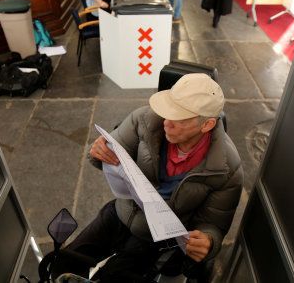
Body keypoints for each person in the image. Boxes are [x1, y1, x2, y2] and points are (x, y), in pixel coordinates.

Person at [64, 74, 243, 281]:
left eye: (179, 118)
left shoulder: (226, 168)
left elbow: (213, 224)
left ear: (207, 125)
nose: (167, 122)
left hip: (161, 239)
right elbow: (105, 152)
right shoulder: (144, 120)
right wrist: (98, 152)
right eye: (168, 110)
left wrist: (208, 242)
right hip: (123, 211)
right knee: (65, 261)